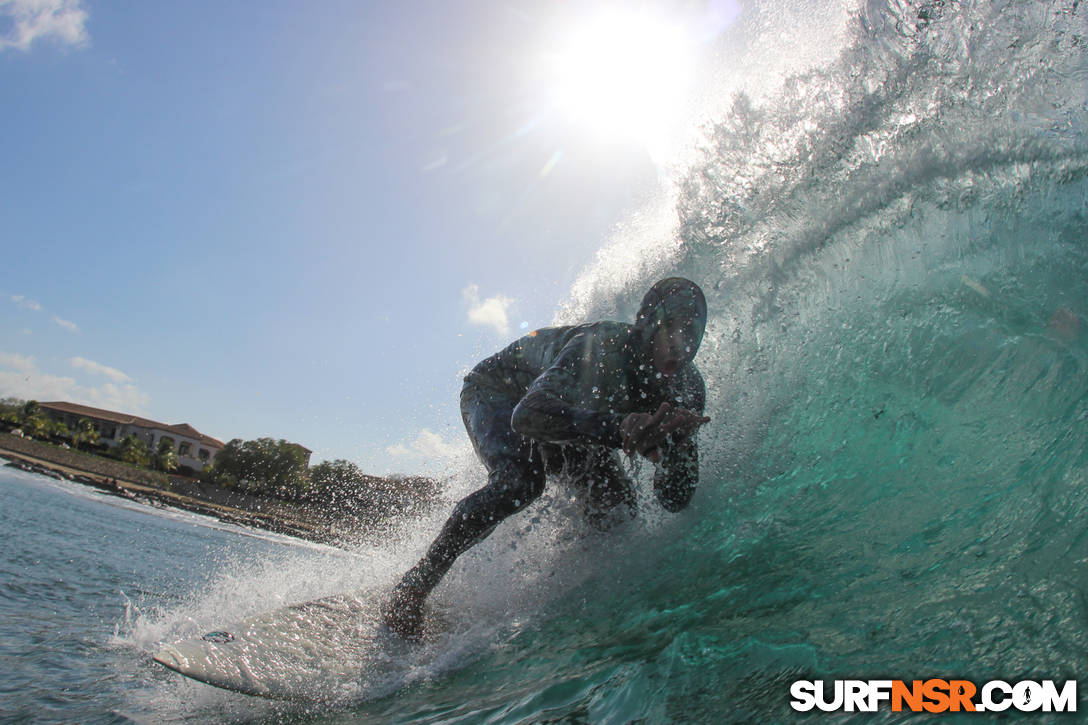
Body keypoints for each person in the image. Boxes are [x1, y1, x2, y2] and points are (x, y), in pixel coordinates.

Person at [381, 277, 711, 638]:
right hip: (498, 393)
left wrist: (680, 450)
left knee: (618, 511)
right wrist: (619, 428)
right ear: (648, 322)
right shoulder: (601, 347)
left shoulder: (687, 387)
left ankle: (576, 610)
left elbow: (673, 500)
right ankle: (414, 586)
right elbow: (528, 416)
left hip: (572, 419)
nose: (681, 348)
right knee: (520, 483)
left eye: (692, 335)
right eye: (672, 332)